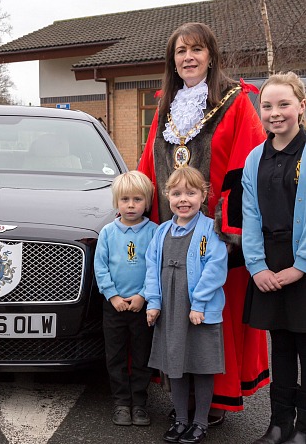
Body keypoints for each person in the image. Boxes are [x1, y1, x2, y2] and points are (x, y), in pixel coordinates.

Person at [137, 22, 269, 423]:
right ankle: (183, 396)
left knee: (210, 314)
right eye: (181, 51)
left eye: (196, 50)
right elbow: (149, 167)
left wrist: (227, 234)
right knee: (176, 313)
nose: (188, 58)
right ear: (172, 61)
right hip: (171, 232)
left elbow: (246, 168)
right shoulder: (165, 108)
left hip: (215, 236)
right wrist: (139, 220)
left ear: (211, 55)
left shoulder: (236, 102)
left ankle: (216, 399)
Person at [242, 72, 306, 444]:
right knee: (280, 348)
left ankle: (304, 428)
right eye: (267, 106)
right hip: (269, 266)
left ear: (301, 107)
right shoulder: (255, 157)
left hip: (302, 266)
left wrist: (301, 266)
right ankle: (279, 424)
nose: (275, 113)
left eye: (284, 105)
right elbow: (250, 215)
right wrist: (257, 267)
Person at [145, 166, 228, 444]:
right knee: (174, 365)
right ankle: (181, 419)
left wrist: (199, 304)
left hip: (198, 311)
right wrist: (153, 303)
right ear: (168, 195)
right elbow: (151, 268)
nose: (184, 199)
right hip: (170, 310)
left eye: (191, 193)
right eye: (177, 193)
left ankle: (200, 423)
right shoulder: (162, 232)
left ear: (203, 195)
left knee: (201, 366)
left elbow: (215, 268)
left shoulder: (209, 230)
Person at [94, 170, 157, 427]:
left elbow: (155, 266)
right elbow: (101, 267)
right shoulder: (108, 232)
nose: (131, 205)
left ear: (148, 202)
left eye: (137, 199)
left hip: (141, 306)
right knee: (116, 356)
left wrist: (143, 295)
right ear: (116, 202)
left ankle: (140, 404)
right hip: (115, 306)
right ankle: (121, 402)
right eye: (125, 200)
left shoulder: (154, 231)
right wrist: (113, 296)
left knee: (142, 355)